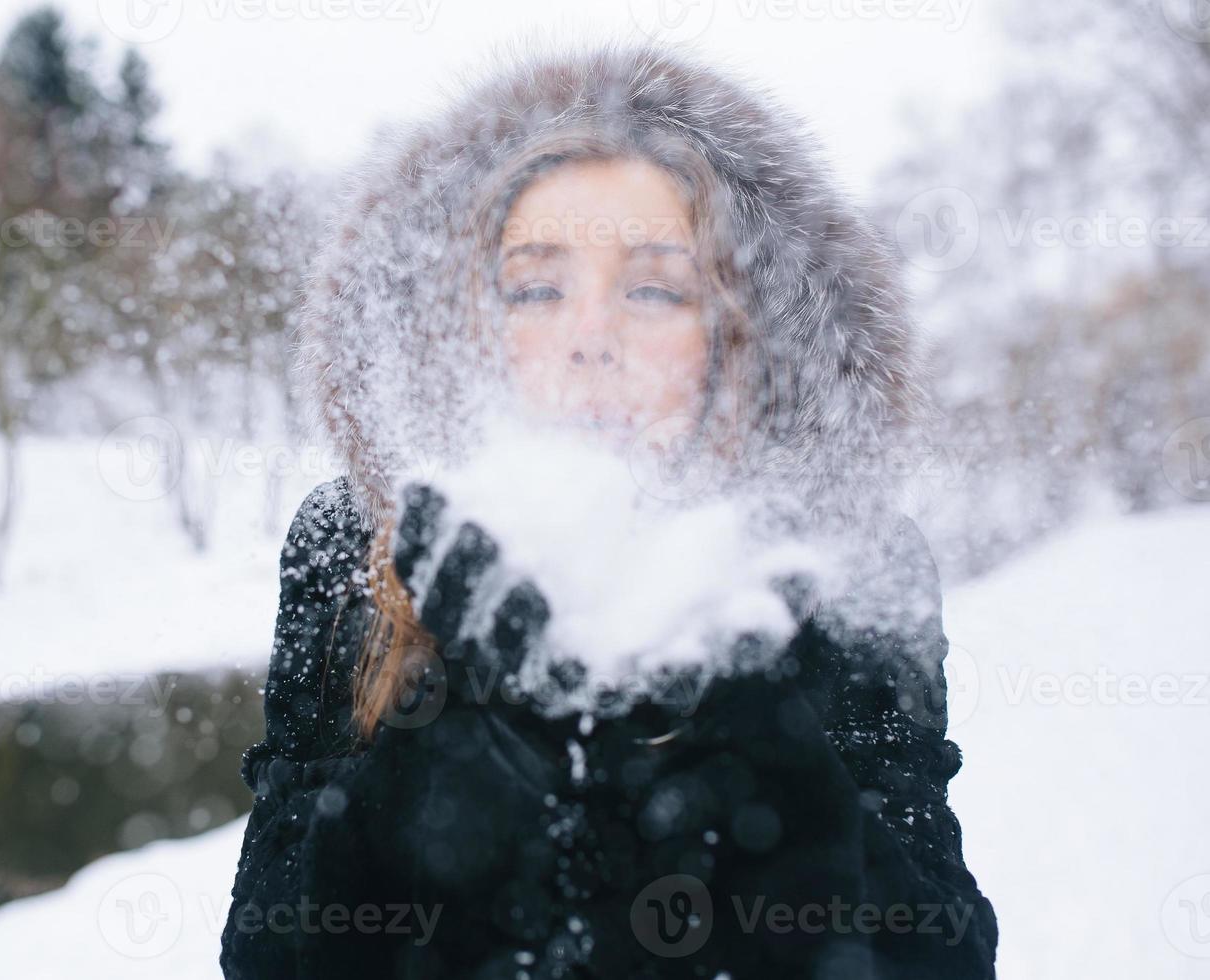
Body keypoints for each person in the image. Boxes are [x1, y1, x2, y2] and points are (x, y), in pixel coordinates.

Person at [219, 41, 997, 979]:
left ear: (734, 340)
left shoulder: (848, 562)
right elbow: (267, 950)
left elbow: (943, 951)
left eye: (655, 289)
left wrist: (760, 762)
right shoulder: (360, 540)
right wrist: (454, 748)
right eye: (536, 288)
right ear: (466, 328)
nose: (590, 338)